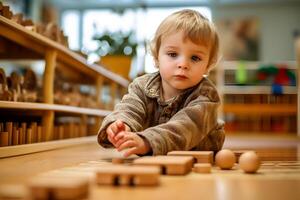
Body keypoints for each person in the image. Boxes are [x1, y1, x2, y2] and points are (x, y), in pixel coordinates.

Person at [97, 9, 225, 157]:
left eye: (195, 58)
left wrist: (147, 142)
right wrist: (120, 124)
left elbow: (184, 127)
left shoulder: (206, 95)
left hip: (197, 152)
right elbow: (130, 108)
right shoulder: (142, 85)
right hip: (157, 151)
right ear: (156, 58)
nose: (183, 64)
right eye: (172, 54)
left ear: (208, 64)